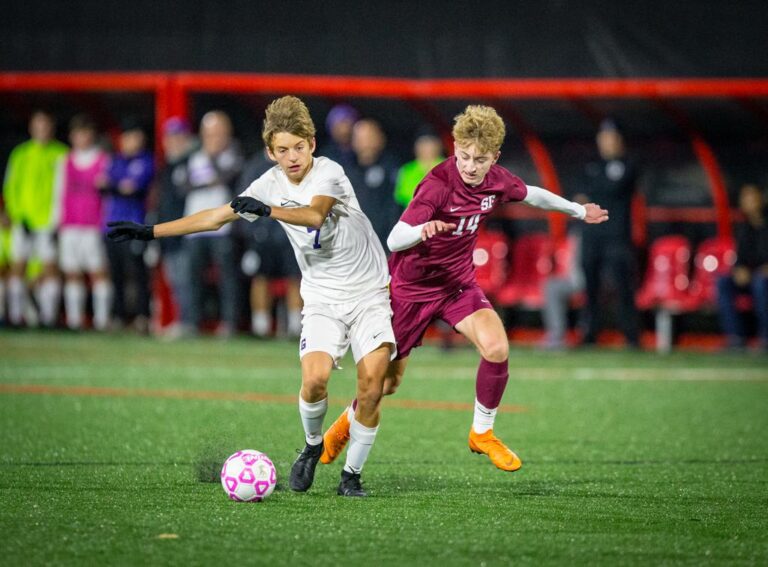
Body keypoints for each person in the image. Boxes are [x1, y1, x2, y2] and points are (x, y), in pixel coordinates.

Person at [107, 95, 396, 497]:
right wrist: (150, 230)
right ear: (269, 151)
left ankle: (351, 476)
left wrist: (267, 211)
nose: (292, 157)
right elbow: (215, 216)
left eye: (299, 147)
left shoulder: (329, 172)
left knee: (372, 385)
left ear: (312, 144)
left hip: (368, 293)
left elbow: (313, 214)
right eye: (282, 150)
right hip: (322, 298)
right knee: (314, 382)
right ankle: (312, 446)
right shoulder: (268, 183)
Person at [320, 105, 608, 472]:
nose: (470, 166)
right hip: (410, 290)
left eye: (480, 159)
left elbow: (532, 193)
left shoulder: (497, 180)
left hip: (457, 285)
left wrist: (579, 212)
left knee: (497, 346)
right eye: (464, 156)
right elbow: (394, 239)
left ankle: (482, 433)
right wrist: (421, 231)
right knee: (386, 385)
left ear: (495, 158)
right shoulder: (437, 184)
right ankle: (345, 423)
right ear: (455, 148)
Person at [577, 118, 640, 348]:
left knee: (623, 285)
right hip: (591, 236)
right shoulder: (591, 164)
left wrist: (595, 196)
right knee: (590, 287)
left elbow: (612, 190)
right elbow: (580, 196)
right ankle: (590, 335)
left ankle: (632, 336)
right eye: (603, 138)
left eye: (611, 138)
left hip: (617, 236)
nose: (606, 143)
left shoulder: (628, 165)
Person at [3, 110, 68, 327]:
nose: (42, 130)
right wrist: (15, 215)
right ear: (31, 127)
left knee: (50, 269)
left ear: (52, 128)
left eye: (46, 125)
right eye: (38, 125)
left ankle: (47, 319)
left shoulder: (61, 154)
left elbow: (64, 190)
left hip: (48, 222)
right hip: (23, 222)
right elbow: (11, 187)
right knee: (17, 268)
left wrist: (56, 220)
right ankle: (14, 316)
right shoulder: (20, 154)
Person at [183, 111, 243, 337]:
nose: (214, 138)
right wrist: (208, 180)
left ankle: (229, 323)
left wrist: (211, 159)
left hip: (222, 226)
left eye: (218, 133)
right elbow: (184, 186)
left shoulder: (232, 155)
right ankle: (191, 322)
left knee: (227, 279)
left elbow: (228, 178)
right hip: (196, 225)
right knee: (193, 278)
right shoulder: (194, 156)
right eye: (209, 133)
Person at [237, 148, 302, 338]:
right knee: (260, 278)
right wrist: (253, 232)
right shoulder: (255, 167)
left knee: (295, 278)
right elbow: (243, 199)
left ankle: (295, 327)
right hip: (262, 234)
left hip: (291, 232)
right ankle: (261, 327)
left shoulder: (296, 163)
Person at [56, 114, 112, 330]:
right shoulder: (65, 161)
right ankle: (74, 321)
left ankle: (101, 321)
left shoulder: (102, 160)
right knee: (72, 273)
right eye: (78, 133)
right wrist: (58, 221)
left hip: (93, 225)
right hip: (70, 225)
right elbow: (58, 192)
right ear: (72, 136)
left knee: (98, 271)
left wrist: (105, 223)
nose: (82, 138)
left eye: (86, 133)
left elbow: (107, 197)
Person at [101, 117, 154, 333]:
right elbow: (106, 183)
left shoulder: (146, 160)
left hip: (135, 227)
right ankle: (118, 317)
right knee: (116, 275)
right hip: (111, 226)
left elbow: (130, 187)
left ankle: (142, 317)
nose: (129, 141)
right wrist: (116, 186)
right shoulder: (117, 160)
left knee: (138, 274)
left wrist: (113, 185)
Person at [157, 116, 198, 338]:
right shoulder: (168, 165)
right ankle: (182, 320)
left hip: (186, 231)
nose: (173, 142)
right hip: (168, 232)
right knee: (174, 279)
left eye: (177, 137)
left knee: (185, 279)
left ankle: (188, 322)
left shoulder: (193, 161)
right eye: (169, 137)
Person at [716, 183, 768, 351]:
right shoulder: (744, 227)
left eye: (751, 197)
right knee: (723, 282)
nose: (748, 202)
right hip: (752, 277)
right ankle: (735, 338)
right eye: (744, 198)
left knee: (760, 284)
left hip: (762, 279)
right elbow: (740, 257)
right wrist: (739, 269)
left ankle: (765, 338)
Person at [347, 118, 401, 248]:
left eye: (369, 137)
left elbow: (395, 210)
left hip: (384, 246)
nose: (365, 143)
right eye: (360, 139)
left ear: (380, 139)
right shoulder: (345, 173)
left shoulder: (393, 170)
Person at [393, 129, 444, 210]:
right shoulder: (407, 170)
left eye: (430, 143)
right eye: (422, 143)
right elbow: (402, 199)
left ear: (438, 146)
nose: (426, 148)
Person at [319, 103, 359, 168]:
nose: (343, 131)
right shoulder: (326, 155)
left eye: (346, 124)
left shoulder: (361, 151)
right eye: (337, 127)